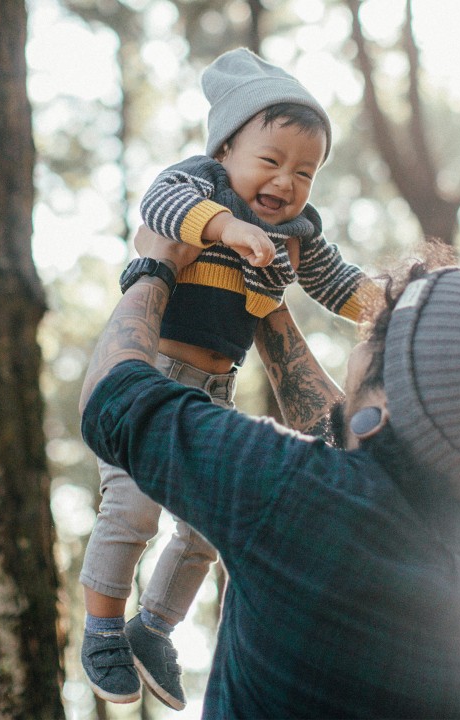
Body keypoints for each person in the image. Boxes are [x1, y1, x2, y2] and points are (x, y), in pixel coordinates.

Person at [79, 227, 460, 719]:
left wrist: (155, 266)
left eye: (382, 331)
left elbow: (112, 399)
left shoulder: (291, 493)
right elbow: (360, 440)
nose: (366, 331)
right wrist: (264, 299)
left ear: (385, 402)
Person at [79, 47, 378, 710]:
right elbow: (158, 205)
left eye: (305, 172)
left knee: (206, 522)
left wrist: (384, 305)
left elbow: (334, 283)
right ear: (225, 153)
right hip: (152, 373)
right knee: (131, 508)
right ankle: (101, 624)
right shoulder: (200, 186)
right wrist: (226, 227)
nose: (286, 182)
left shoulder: (296, 232)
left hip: (215, 388)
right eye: (270, 161)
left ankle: (153, 625)